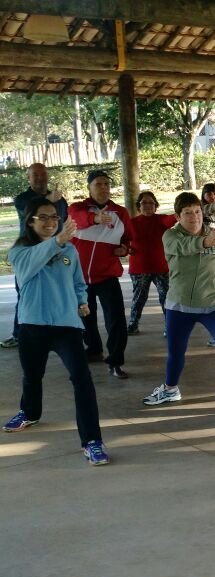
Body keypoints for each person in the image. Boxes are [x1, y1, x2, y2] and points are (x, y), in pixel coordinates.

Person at [3, 197, 109, 465]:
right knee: (32, 376)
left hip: (66, 326)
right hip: (32, 326)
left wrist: (82, 301)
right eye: (43, 217)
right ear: (30, 221)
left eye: (54, 217)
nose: (50, 222)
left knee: (82, 381)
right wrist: (58, 241)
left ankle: (92, 441)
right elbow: (28, 268)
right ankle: (29, 413)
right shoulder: (19, 252)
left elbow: (78, 282)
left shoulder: (69, 250)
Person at [142, 192, 215, 422]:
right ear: (178, 216)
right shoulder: (170, 236)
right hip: (180, 305)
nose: (194, 216)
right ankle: (170, 389)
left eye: (197, 211)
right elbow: (185, 246)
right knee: (176, 352)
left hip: (213, 303)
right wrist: (206, 242)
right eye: (187, 213)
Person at [68, 169, 133, 379]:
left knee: (116, 321)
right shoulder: (77, 208)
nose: (103, 188)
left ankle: (115, 361)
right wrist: (95, 218)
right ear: (89, 187)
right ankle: (94, 350)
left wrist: (124, 248)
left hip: (107, 277)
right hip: (79, 279)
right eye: (98, 184)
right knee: (85, 318)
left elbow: (128, 238)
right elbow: (76, 219)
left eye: (106, 184)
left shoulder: (120, 213)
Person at [5, 163, 67, 349]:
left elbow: (64, 221)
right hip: (30, 252)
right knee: (25, 294)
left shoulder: (60, 200)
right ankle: (20, 334)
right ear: (29, 178)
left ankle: (63, 330)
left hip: (55, 251)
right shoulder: (22, 199)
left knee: (60, 290)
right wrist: (48, 199)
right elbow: (28, 209)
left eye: (43, 174)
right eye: (36, 175)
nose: (40, 178)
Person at [127, 191, 177, 335]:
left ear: (156, 206)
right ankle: (133, 325)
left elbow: (171, 219)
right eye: (144, 203)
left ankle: (170, 326)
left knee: (166, 297)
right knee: (139, 298)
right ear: (138, 206)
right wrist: (125, 248)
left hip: (161, 267)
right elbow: (122, 239)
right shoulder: (131, 223)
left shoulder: (161, 220)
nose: (148, 205)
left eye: (151, 203)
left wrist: (182, 210)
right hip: (139, 268)